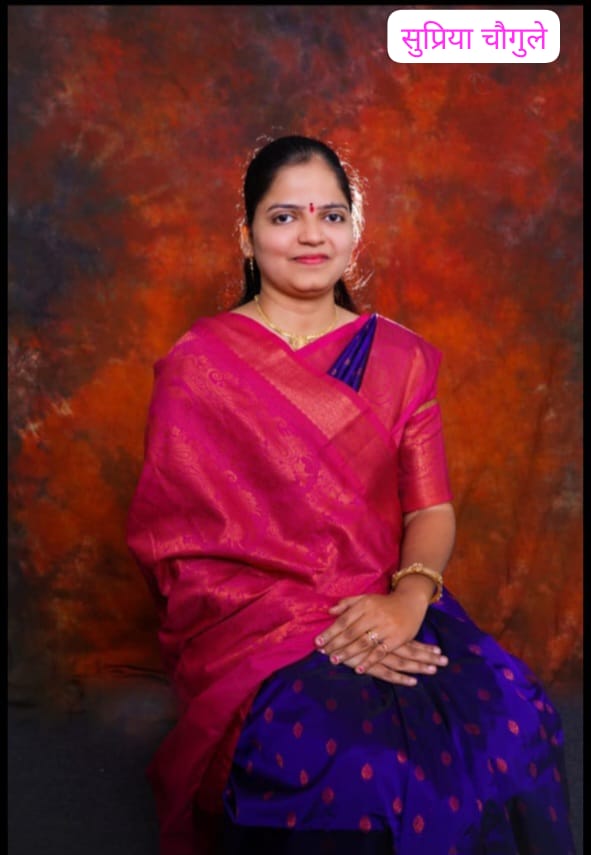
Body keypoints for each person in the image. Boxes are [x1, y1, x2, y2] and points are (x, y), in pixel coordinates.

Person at [127, 135, 576, 855]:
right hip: (256, 628)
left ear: (354, 232)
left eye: (331, 215)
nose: (311, 235)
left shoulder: (400, 358)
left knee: (512, 722)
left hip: (386, 598)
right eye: (284, 217)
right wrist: (307, 628)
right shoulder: (199, 367)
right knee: (354, 768)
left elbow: (429, 508)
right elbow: (177, 547)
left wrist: (407, 601)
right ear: (246, 236)